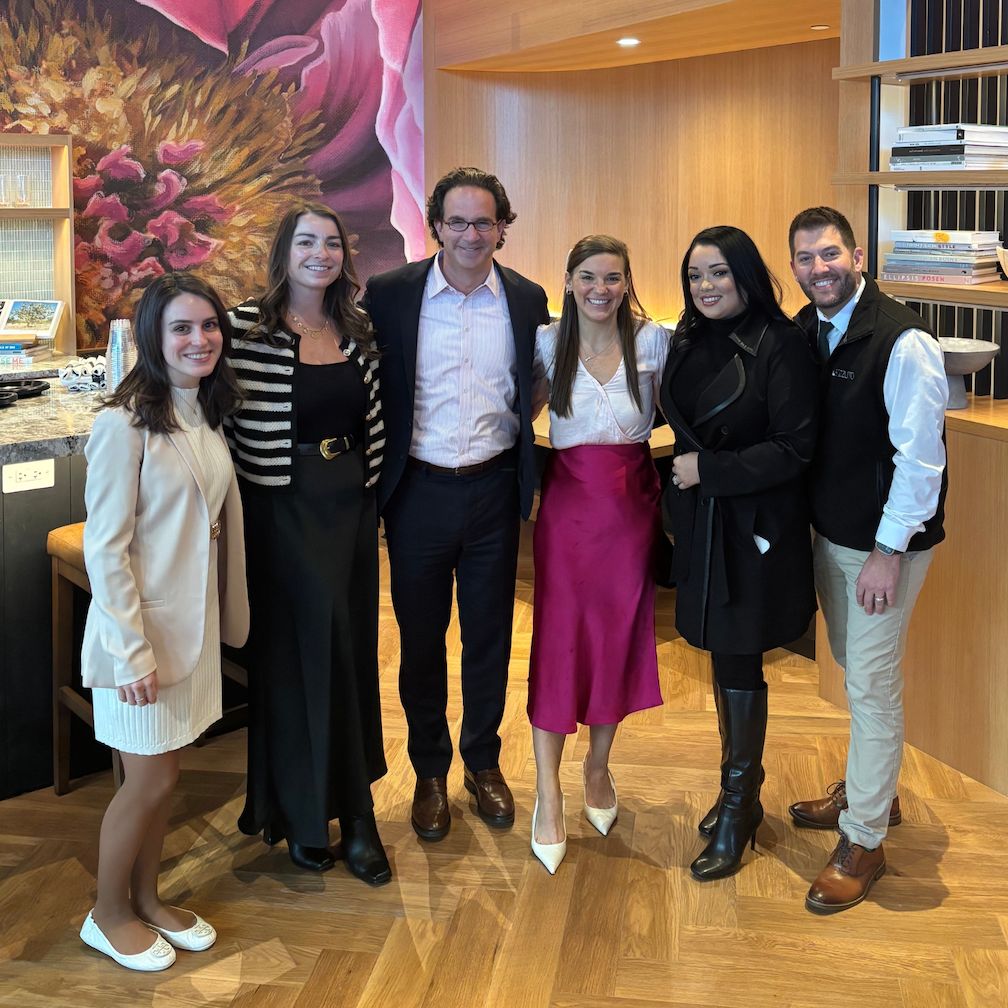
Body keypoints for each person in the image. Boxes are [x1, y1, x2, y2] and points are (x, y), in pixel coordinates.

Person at [362, 167, 550, 842]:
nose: (471, 234)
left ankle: (482, 762)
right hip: (416, 492)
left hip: (495, 490)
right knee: (420, 641)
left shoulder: (528, 299)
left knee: (489, 637)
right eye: (457, 221)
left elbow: (532, 384)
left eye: (484, 222)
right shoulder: (389, 295)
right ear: (435, 225)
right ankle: (430, 772)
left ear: (503, 226)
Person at [79, 273, 248, 971]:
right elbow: (105, 546)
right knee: (145, 781)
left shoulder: (201, 412)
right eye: (181, 327)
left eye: (208, 326)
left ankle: (146, 899)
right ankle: (107, 911)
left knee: (164, 777)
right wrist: (132, 650)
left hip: (190, 633)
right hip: (140, 642)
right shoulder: (123, 425)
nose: (198, 339)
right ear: (152, 337)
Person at [787, 206, 947, 914]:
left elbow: (921, 461)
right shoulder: (808, 330)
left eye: (829, 255)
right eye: (804, 258)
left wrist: (888, 553)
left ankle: (864, 840)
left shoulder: (903, 340)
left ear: (857, 257)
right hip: (833, 536)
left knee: (872, 686)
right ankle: (872, 791)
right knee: (860, 673)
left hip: (883, 548)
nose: (817, 269)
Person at [226, 202, 390, 885]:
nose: (320, 253)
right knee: (294, 660)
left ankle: (354, 813)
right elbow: (203, 401)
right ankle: (303, 813)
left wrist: (370, 497)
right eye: (306, 242)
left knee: (350, 654)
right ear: (283, 252)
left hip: (349, 503)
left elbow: (374, 415)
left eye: (331, 243)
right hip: (279, 508)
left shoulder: (357, 328)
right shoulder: (244, 328)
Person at [660, 226, 819, 881]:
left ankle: (737, 804)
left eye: (719, 273)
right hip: (704, 521)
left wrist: (709, 471)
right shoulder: (688, 337)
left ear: (748, 276)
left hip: (756, 527)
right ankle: (740, 793)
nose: (706, 287)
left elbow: (795, 447)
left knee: (741, 652)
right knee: (725, 653)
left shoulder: (782, 345)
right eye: (695, 275)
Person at [526, 235, 667, 874]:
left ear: (628, 280)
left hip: (632, 507)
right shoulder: (547, 342)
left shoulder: (655, 340)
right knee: (560, 641)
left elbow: (681, 414)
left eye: (613, 278)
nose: (601, 289)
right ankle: (548, 791)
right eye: (588, 277)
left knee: (617, 639)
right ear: (569, 279)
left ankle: (599, 766)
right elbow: (513, 413)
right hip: (568, 510)